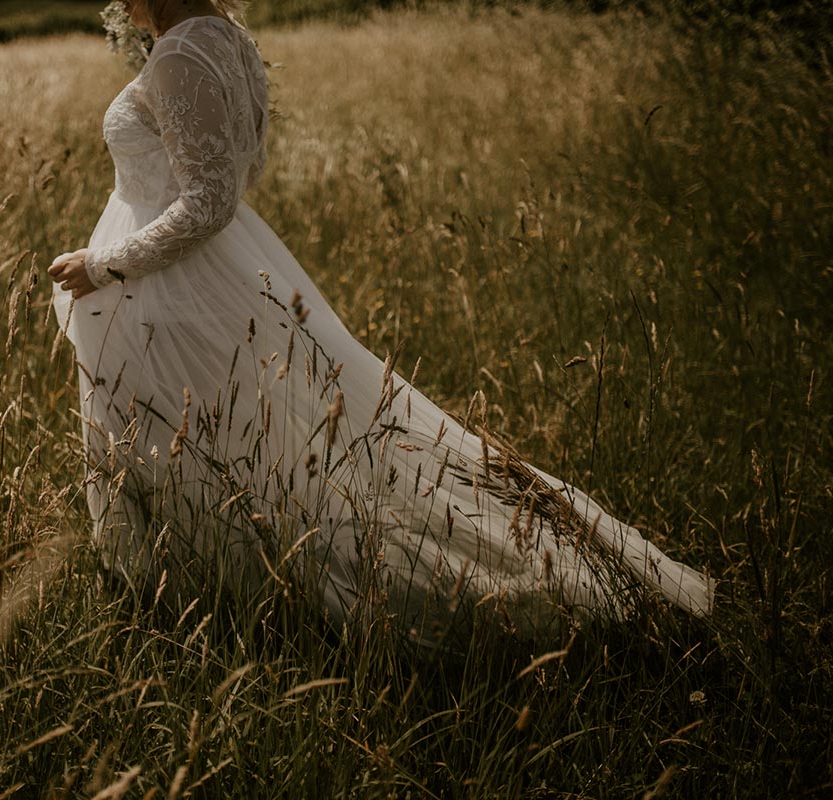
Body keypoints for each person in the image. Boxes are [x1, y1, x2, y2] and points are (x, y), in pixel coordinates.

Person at [48, 0, 714, 643]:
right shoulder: (227, 38)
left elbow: (209, 199)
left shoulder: (181, 52)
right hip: (200, 271)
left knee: (215, 444)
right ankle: (215, 590)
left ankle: (218, 602)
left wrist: (106, 266)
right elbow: (238, 170)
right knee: (245, 442)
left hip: (170, 286)